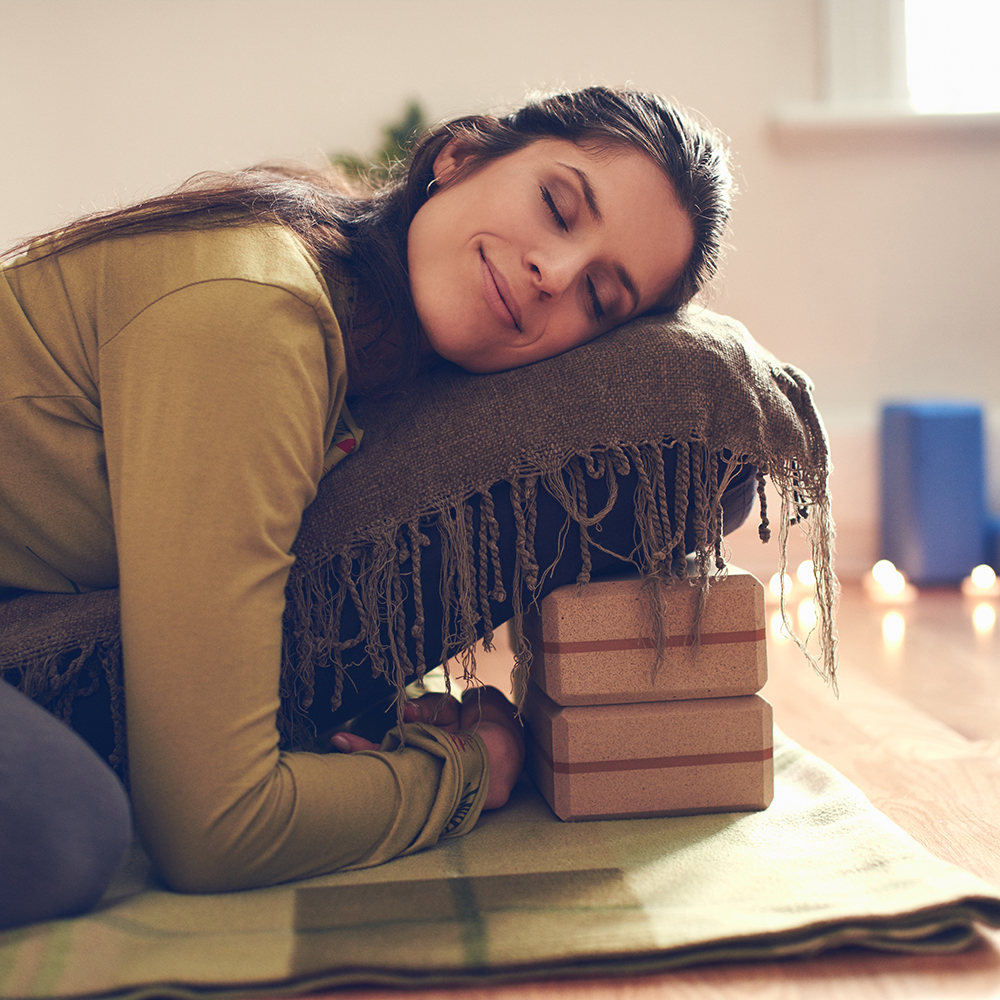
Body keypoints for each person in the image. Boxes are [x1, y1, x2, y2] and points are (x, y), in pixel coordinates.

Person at [0, 86, 746, 923]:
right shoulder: (256, 317)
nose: (556, 273)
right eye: (556, 204)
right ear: (458, 157)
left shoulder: (353, 348)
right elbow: (217, 827)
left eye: (600, 300)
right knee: (59, 830)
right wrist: (465, 771)